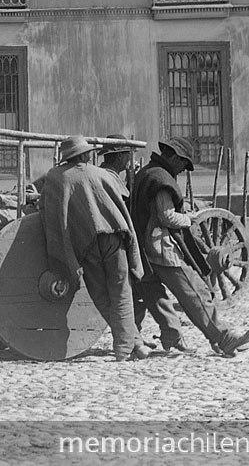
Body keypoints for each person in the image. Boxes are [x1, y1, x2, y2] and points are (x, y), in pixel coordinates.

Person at [129, 137, 249, 357]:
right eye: (184, 164)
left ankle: (172, 336)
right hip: (162, 248)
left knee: (154, 294)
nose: (183, 169)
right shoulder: (161, 179)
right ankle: (223, 337)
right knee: (195, 291)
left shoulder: (147, 173)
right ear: (174, 157)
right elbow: (166, 216)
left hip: (144, 247)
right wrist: (189, 218)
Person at [41, 135, 150, 362]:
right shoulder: (101, 175)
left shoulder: (57, 178)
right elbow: (120, 203)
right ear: (86, 154)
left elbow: (49, 211)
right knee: (121, 292)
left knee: (100, 295)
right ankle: (132, 346)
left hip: (86, 242)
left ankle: (129, 346)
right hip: (114, 237)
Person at [101, 134, 193, 355]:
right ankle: (135, 340)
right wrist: (189, 219)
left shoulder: (118, 176)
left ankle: (152, 336)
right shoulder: (108, 177)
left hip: (132, 242)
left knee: (145, 290)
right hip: (119, 242)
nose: (129, 160)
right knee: (133, 292)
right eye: (126, 155)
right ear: (120, 156)